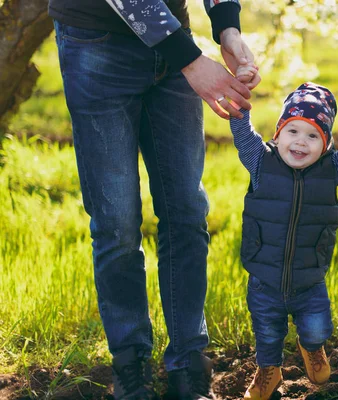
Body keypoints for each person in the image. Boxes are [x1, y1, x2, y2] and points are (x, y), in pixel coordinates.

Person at [49, 0, 259, 398]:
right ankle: (130, 365)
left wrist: (227, 27)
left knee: (187, 211)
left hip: (173, 43)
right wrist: (193, 61)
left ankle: (188, 363)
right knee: (117, 223)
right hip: (96, 44)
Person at [228, 82, 338, 400]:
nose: (301, 142)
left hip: (310, 279)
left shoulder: (332, 170)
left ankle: (311, 348)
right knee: (267, 333)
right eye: (293, 131)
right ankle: (269, 371)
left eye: (313, 135)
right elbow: (242, 133)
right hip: (264, 278)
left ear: (325, 145)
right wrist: (239, 95)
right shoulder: (261, 163)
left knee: (317, 329)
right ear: (278, 134)